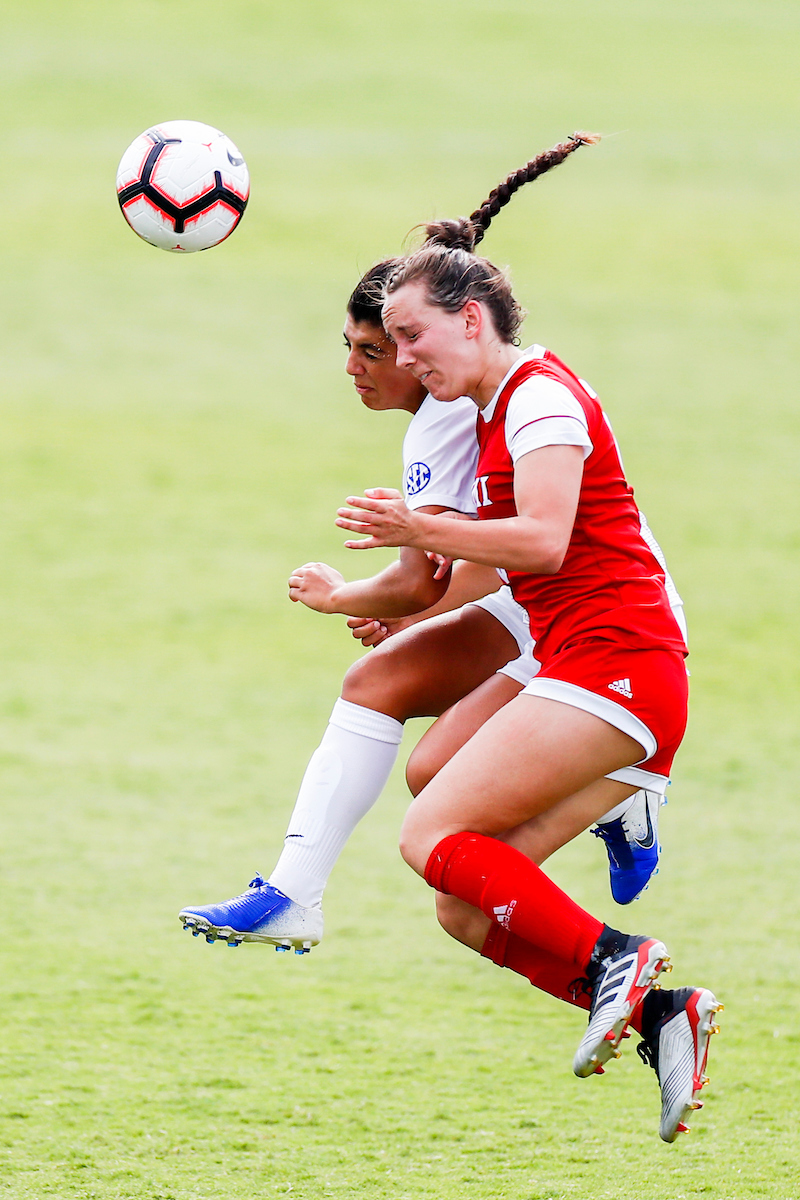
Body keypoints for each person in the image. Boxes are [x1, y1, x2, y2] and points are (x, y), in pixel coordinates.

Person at [179, 140, 678, 955]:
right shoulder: (461, 396)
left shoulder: (457, 411)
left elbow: (444, 574)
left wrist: (349, 597)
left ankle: (296, 893)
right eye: (357, 346)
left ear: (450, 332)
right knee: (428, 773)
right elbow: (460, 571)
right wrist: (409, 601)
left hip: (586, 615)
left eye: (379, 348)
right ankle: (608, 808)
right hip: (537, 601)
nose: (363, 367)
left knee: (382, 695)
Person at [330, 142, 721, 1141]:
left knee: (429, 839)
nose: (403, 356)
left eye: (413, 337)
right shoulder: (494, 405)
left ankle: (613, 959)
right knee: (463, 900)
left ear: (473, 319)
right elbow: (492, 561)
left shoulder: (539, 397)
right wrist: (408, 589)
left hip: (618, 663)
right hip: (578, 662)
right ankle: (664, 1016)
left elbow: (541, 540)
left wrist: (417, 531)